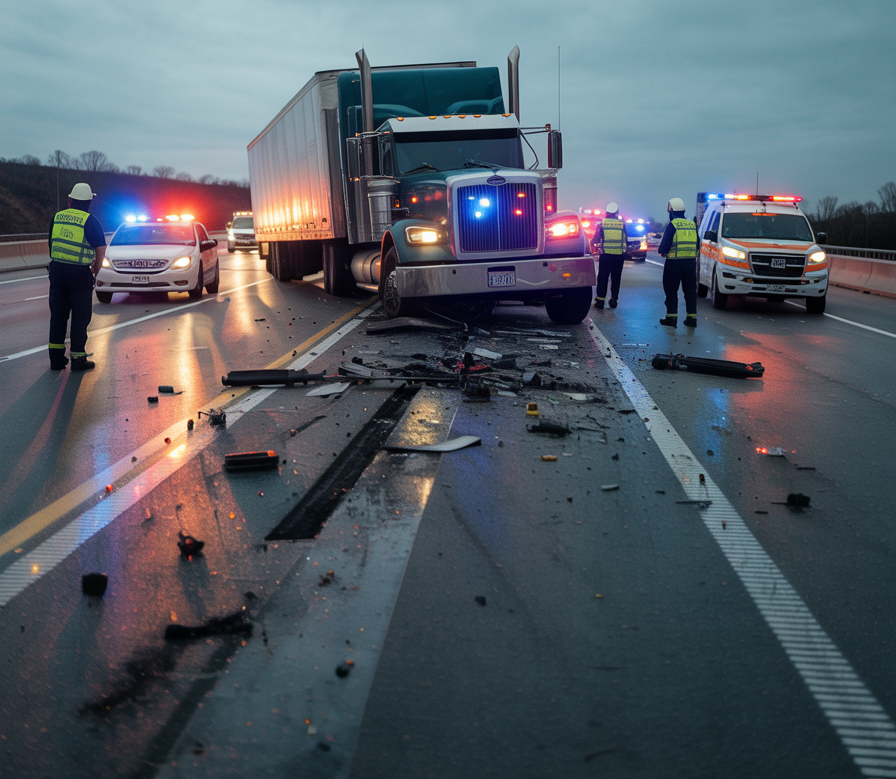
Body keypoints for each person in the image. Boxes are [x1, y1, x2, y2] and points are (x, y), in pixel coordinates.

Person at [47, 183, 106, 370]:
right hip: (79, 274)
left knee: (58, 315)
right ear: (90, 202)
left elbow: (51, 243)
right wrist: (95, 271)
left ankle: (56, 360)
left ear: (70, 200)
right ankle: (78, 359)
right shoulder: (90, 221)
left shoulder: (57, 217)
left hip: (57, 271)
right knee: (80, 317)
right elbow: (100, 250)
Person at [657, 197, 698, 328]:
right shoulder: (692, 224)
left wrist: (662, 251)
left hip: (674, 264)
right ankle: (692, 319)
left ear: (672, 211)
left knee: (671, 291)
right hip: (690, 264)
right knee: (690, 292)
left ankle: (671, 318)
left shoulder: (673, 225)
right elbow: (698, 244)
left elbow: (664, 246)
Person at [592, 202, 628, 309]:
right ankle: (613, 300)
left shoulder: (602, 224)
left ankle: (600, 301)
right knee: (616, 279)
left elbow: (596, 239)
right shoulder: (622, 224)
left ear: (607, 212)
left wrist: (594, 247)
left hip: (606, 255)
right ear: (617, 212)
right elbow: (625, 239)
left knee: (603, 277)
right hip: (619, 256)